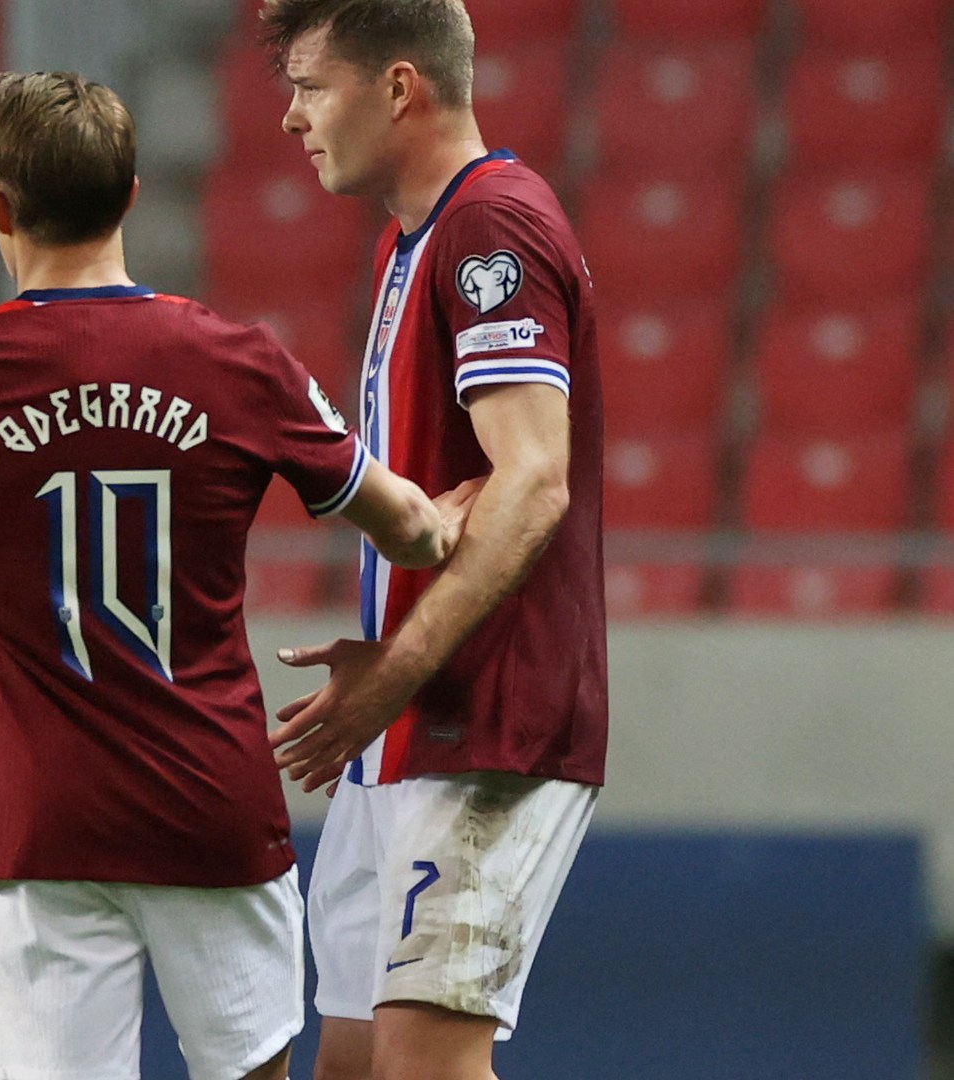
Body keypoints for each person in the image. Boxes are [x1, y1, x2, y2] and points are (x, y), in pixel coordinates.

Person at [0, 71, 473, 1080]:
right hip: (210, 805)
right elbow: (404, 529)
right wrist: (452, 516)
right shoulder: (244, 362)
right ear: (129, 194)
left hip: (37, 821)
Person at [258, 2, 608, 1078]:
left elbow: (534, 479)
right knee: (354, 1064)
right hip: (407, 733)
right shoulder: (413, 236)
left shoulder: (488, 227)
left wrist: (400, 668)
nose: (288, 118)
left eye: (312, 86)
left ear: (397, 87)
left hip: (486, 721)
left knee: (421, 1066)